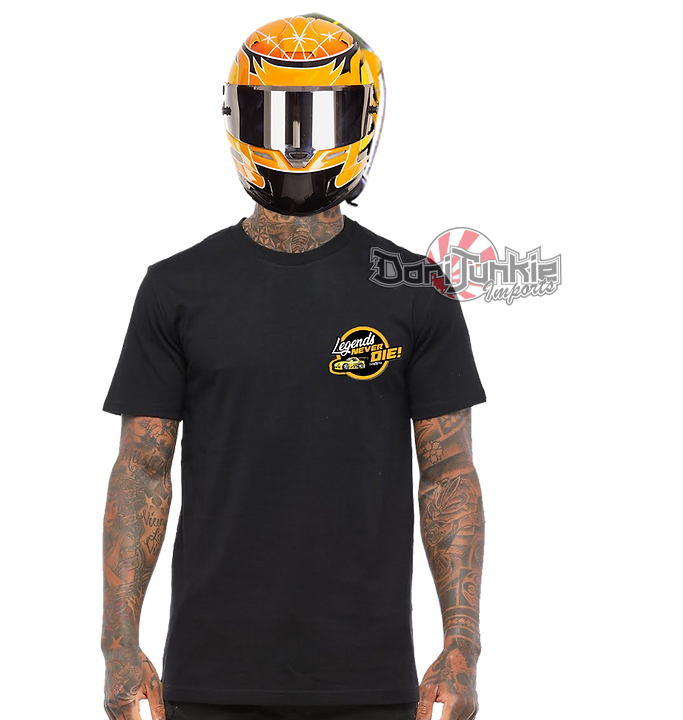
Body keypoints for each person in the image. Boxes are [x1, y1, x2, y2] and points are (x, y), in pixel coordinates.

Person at [101, 15, 486, 720]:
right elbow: (141, 471)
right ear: (238, 116)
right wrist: (118, 645)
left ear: (362, 119)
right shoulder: (176, 289)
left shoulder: (415, 288)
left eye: (321, 115)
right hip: (210, 678)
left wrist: (461, 644)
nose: (298, 141)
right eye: (275, 114)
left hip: (368, 679)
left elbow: (448, 475)